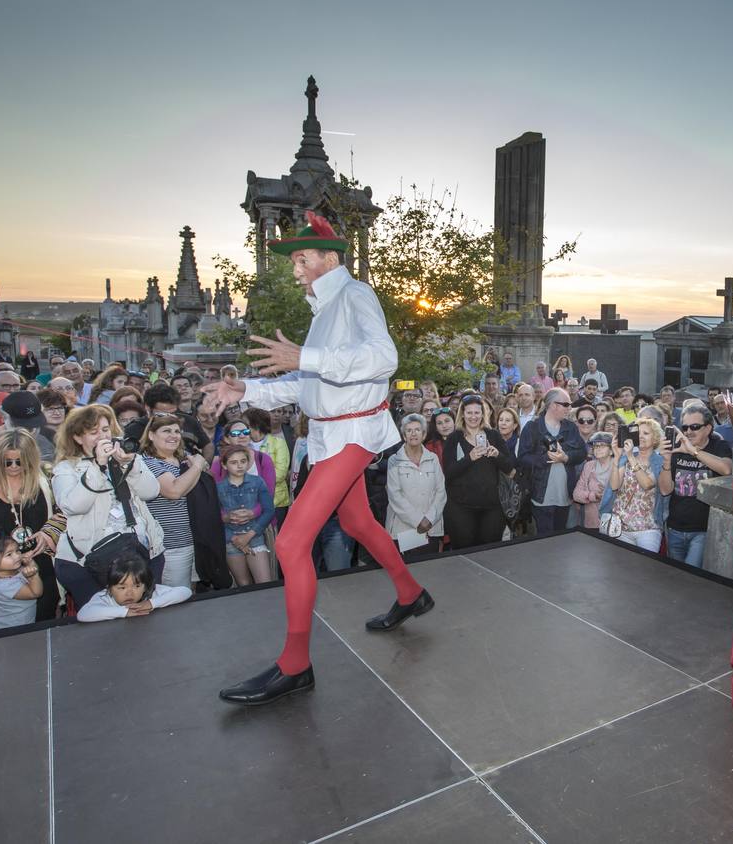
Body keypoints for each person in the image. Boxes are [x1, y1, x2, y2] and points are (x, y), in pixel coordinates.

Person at [202, 211, 430, 706]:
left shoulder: (355, 295)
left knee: (289, 542)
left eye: (301, 258)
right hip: (331, 436)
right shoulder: (323, 311)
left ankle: (295, 664)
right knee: (357, 521)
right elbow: (307, 387)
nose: (295, 269)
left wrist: (304, 358)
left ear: (330, 258)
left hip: (354, 435)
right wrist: (247, 388)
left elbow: (384, 359)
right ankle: (412, 593)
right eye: (294, 260)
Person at [51, 404, 166, 611]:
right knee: (102, 619)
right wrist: (97, 466)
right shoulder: (67, 468)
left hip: (138, 552)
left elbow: (151, 492)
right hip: (87, 560)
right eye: (93, 432)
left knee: (142, 614)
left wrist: (128, 465)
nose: (101, 436)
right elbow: (74, 506)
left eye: (105, 430)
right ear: (77, 437)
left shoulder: (128, 459)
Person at [0, 429, 66, 621]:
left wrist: (49, 533)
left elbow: (67, 512)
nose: (14, 466)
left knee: (43, 624)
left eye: (20, 461)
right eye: (7, 462)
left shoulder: (49, 476)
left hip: (41, 566)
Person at [659, 403, 733, 568]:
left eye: (695, 427)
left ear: (708, 429)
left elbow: (726, 469)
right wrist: (666, 461)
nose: (688, 432)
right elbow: (665, 490)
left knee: (690, 575)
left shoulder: (719, 446)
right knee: (676, 577)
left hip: (702, 529)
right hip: (674, 527)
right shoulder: (675, 449)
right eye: (685, 427)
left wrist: (693, 451)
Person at [140, 414, 208, 590]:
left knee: (191, 593)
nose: (174, 435)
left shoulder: (184, 459)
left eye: (177, 431)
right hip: (170, 545)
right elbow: (174, 491)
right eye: (166, 430)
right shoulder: (147, 462)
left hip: (194, 540)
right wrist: (197, 466)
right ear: (151, 435)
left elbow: (189, 488)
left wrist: (196, 466)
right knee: (177, 598)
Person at [441, 395, 514, 548]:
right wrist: (469, 458)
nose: (473, 416)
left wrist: (497, 455)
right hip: (461, 507)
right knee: (464, 551)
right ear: (463, 414)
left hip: (492, 507)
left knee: (489, 551)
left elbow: (509, 467)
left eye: (477, 412)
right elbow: (448, 473)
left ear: (483, 414)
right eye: (469, 413)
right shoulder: (454, 438)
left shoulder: (493, 435)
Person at [517, 388, 586, 534]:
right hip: (540, 498)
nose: (570, 408)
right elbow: (522, 458)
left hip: (565, 498)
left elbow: (582, 453)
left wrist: (566, 458)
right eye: (566, 404)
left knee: (560, 543)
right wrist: (545, 458)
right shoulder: (532, 427)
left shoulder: (570, 427)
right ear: (554, 405)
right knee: (545, 543)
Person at [386, 414, 447, 555]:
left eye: (417, 430)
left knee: (430, 571)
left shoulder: (433, 458)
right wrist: (418, 520)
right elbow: (395, 495)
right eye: (409, 430)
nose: (413, 433)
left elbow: (440, 491)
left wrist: (429, 518)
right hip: (404, 529)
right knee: (408, 571)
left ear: (424, 434)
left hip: (431, 528)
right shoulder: (394, 461)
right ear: (404, 435)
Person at [217, 444, 276, 586]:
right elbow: (215, 518)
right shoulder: (218, 488)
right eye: (233, 462)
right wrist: (234, 538)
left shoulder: (257, 482)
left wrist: (249, 535)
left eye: (243, 461)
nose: (239, 466)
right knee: (243, 584)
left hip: (255, 537)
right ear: (224, 465)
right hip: (231, 541)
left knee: (264, 583)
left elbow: (269, 510)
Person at [0, 391, 57, 478]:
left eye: (35, 424)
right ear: (4, 417)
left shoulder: (50, 436)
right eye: (21, 425)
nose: (29, 431)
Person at [604, 417, 666, 551]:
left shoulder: (659, 461)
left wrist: (631, 456)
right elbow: (614, 486)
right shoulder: (624, 458)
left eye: (646, 433)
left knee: (646, 567)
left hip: (648, 528)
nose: (641, 436)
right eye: (638, 433)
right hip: (620, 527)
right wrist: (617, 457)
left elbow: (647, 484)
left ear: (655, 438)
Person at [77, 551, 192, 622]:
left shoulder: (150, 592)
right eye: (122, 588)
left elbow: (185, 591)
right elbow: (83, 614)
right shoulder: (104, 596)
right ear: (110, 588)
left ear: (145, 585)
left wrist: (151, 603)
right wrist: (124, 612)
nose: (129, 593)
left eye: (136, 586)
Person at [573, 432, 615, 530]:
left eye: (602, 445)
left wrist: (606, 495)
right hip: (592, 521)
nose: (598, 448)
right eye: (595, 446)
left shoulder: (619, 466)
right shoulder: (589, 465)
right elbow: (576, 494)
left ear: (611, 450)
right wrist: (593, 496)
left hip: (613, 522)